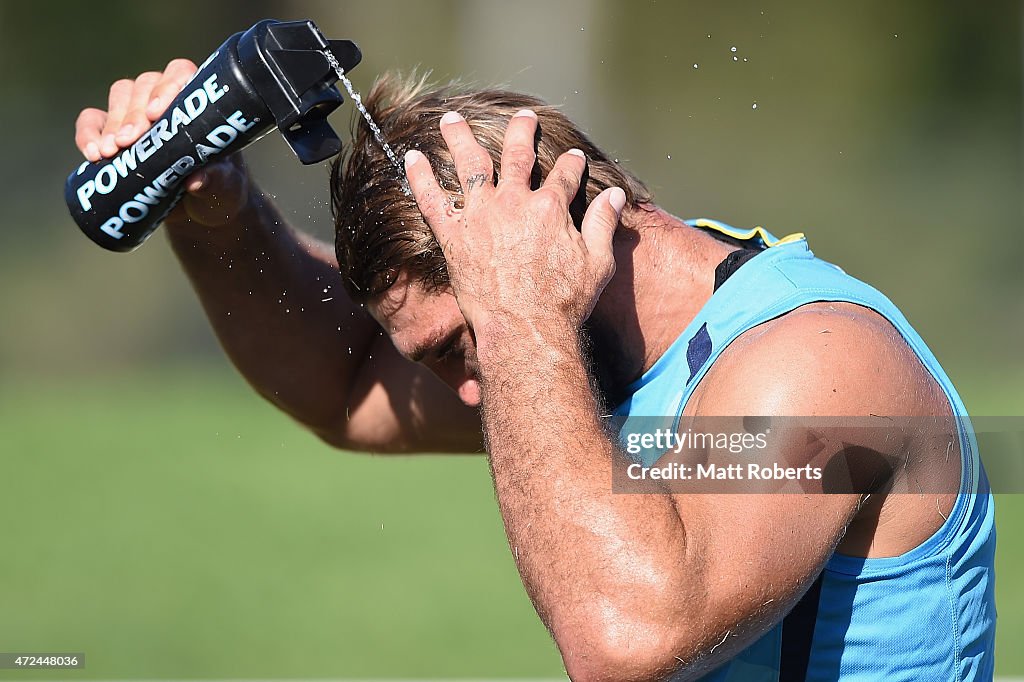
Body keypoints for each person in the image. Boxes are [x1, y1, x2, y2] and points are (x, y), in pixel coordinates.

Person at [75, 59, 995, 681]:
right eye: (439, 358)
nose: (470, 394)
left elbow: (624, 642)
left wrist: (516, 315)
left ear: (549, 249)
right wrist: (222, 218)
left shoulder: (818, 365)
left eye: (461, 344)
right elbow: (349, 387)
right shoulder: (586, 352)